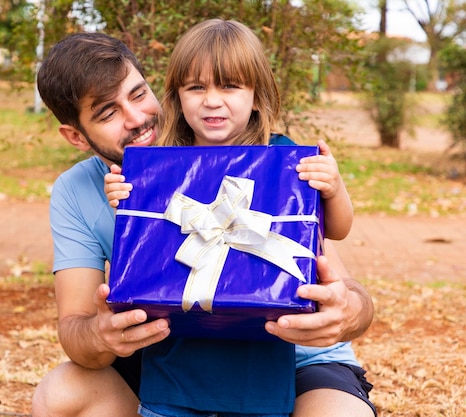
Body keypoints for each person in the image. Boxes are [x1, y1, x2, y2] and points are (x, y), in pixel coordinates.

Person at [32, 30, 375, 417]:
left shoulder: (255, 155)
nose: (137, 119)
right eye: (108, 113)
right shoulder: (79, 190)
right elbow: (76, 328)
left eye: (139, 94)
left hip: (293, 354)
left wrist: (345, 312)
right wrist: (99, 333)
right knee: (60, 395)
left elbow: (346, 279)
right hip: (168, 353)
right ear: (76, 136)